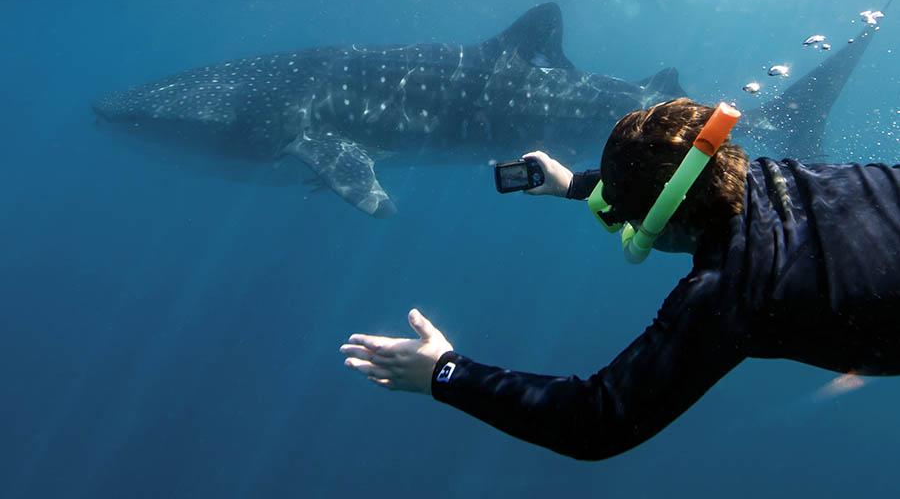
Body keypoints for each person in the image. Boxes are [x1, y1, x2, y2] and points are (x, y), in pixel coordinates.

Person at [339, 97, 900, 460]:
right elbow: (682, 181)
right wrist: (577, 185)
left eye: (633, 220)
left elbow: (597, 419)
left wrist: (444, 372)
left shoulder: (729, 291)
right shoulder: (792, 174)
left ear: (657, 219)